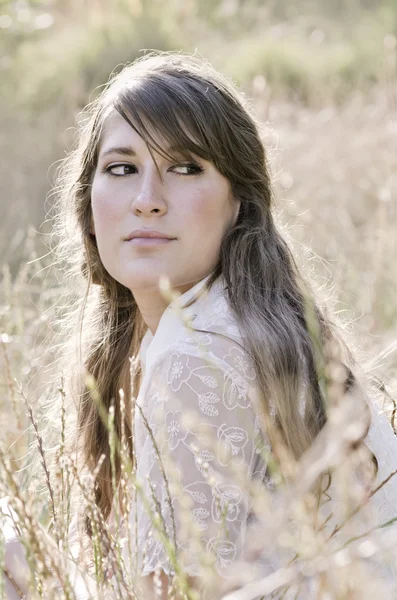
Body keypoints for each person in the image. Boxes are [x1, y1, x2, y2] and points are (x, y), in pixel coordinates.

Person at [2, 52, 397, 599]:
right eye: (122, 168)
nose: (148, 201)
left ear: (240, 201)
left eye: (186, 168)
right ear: (87, 201)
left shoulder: (199, 354)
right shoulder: (234, 320)